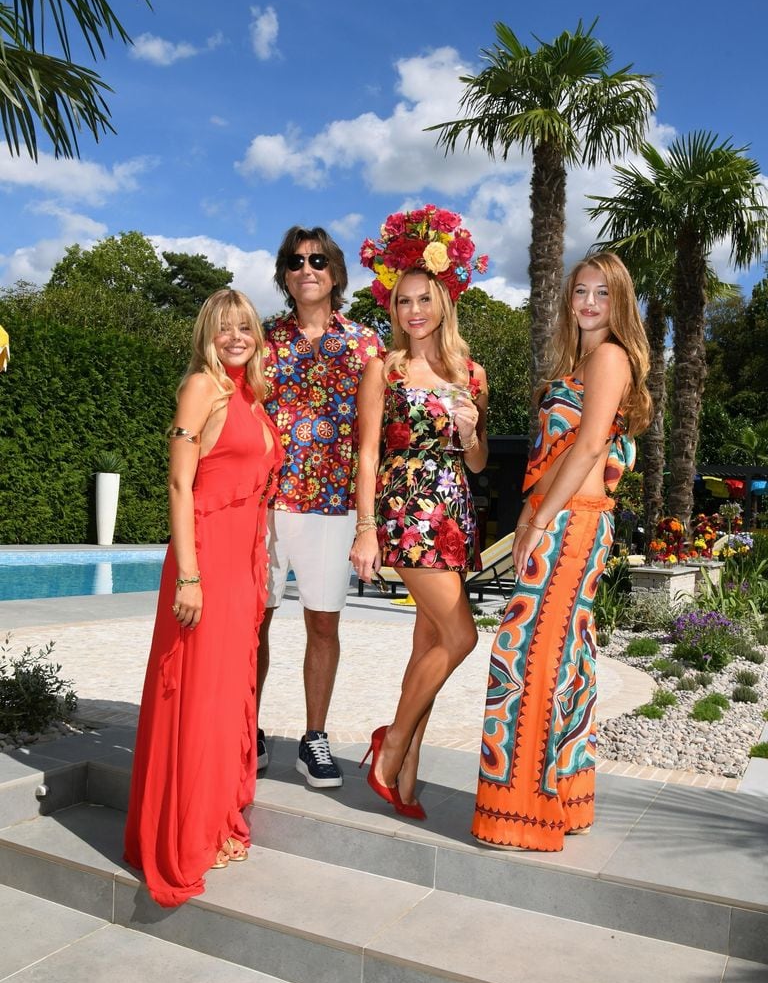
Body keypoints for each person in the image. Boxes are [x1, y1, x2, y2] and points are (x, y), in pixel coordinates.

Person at [472, 251, 652, 851]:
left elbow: (589, 448)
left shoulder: (608, 357)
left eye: (603, 293)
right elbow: (553, 460)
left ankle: (523, 812)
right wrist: (527, 516)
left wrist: (538, 519)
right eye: (581, 291)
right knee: (567, 658)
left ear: (620, 302)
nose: (590, 303)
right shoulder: (581, 360)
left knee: (527, 652)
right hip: (566, 519)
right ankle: (564, 801)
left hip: (572, 523)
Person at [124, 289, 282, 907]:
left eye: (245, 327)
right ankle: (181, 840)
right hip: (205, 562)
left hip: (240, 567)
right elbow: (179, 483)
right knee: (194, 697)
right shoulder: (202, 387)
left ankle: (213, 824)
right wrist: (189, 575)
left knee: (221, 698)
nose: (236, 337)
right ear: (206, 336)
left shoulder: (249, 394)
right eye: (224, 329)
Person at [352, 205, 489, 818]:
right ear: (393, 307)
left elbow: (480, 464)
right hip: (406, 513)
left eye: (423, 300)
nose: (413, 311)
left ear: (442, 303)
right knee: (461, 636)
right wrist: (364, 530)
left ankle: (407, 778)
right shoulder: (386, 368)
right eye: (403, 301)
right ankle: (391, 744)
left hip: (454, 511)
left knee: (428, 648)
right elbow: (367, 452)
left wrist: (470, 431)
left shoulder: (470, 372)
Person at [258, 226, 384, 788]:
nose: (305, 268)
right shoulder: (262, 339)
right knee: (250, 623)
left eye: (316, 260)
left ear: (334, 272)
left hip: (331, 507)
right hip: (263, 503)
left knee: (323, 625)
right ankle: (246, 730)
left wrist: (366, 525)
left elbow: (370, 443)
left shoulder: (365, 344)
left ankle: (314, 738)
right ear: (285, 275)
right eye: (294, 261)